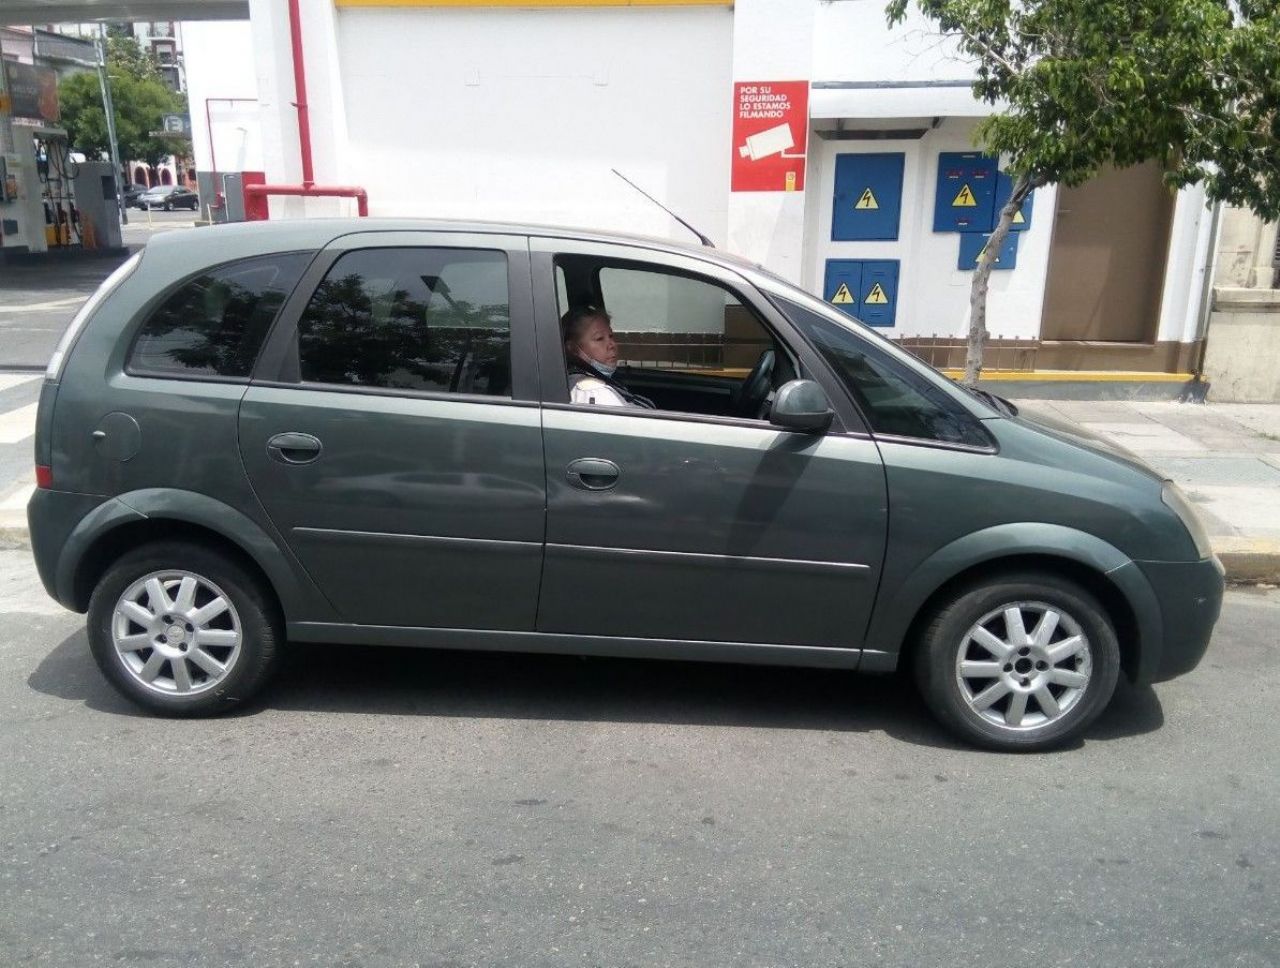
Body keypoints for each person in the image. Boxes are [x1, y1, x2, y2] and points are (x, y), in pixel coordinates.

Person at [561, 306, 655, 408]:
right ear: (573, 348)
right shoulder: (593, 393)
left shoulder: (575, 381)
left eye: (611, 336)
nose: (612, 345)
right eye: (599, 338)